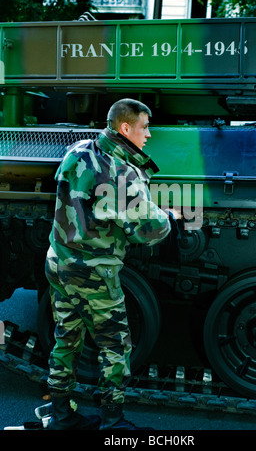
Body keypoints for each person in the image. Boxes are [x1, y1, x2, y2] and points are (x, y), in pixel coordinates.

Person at [44, 98, 172, 430]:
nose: (149, 134)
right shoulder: (123, 171)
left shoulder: (78, 149)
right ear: (125, 128)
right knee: (114, 345)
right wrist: (170, 217)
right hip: (95, 272)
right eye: (145, 127)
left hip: (59, 261)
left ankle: (61, 416)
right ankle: (112, 420)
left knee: (65, 338)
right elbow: (150, 230)